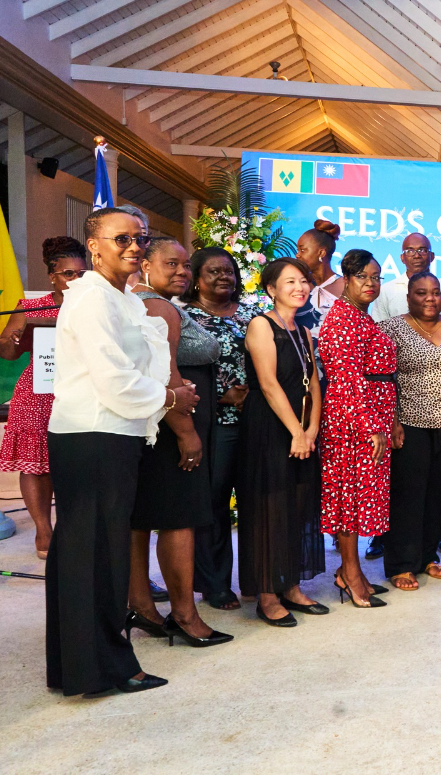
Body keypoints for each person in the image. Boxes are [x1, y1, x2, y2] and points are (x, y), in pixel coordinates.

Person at [46, 207, 198, 696]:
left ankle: (80, 667)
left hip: (112, 434)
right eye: (122, 239)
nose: (134, 246)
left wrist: (168, 392)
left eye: (140, 238)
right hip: (93, 435)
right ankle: (101, 669)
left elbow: (141, 365)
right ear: (94, 246)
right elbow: (113, 379)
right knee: (95, 558)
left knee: (92, 555)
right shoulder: (92, 298)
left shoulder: (123, 298)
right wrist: (171, 398)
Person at [127, 238, 232, 647]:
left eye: (186, 265)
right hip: (173, 428)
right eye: (172, 264)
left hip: (153, 424)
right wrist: (187, 433)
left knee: (141, 519)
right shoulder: (159, 307)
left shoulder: (140, 301)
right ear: (146, 265)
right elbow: (166, 375)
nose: (183, 272)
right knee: (179, 520)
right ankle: (185, 615)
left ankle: (142, 607)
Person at [237, 257, 327, 626]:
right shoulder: (261, 324)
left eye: (303, 281)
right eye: (290, 282)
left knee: (297, 505)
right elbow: (269, 384)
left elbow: (315, 383)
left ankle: (290, 585)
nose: (299, 288)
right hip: (270, 428)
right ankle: (267, 594)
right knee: (269, 507)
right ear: (271, 289)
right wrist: (296, 432)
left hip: (301, 430)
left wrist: (312, 429)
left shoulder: (303, 330)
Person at [0, 235, 86, 560]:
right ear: (52, 276)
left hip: (84, 391)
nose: (75, 279)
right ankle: (44, 531)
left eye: (82, 273)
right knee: (36, 464)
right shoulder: (32, 307)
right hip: (39, 392)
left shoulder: (96, 305)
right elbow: (5, 351)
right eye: (68, 273)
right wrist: (13, 338)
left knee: (80, 461)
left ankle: (75, 529)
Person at [182, 247, 261, 611]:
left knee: (257, 502)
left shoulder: (252, 314)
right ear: (197, 280)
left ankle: (259, 579)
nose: (223, 277)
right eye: (213, 272)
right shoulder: (185, 318)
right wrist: (221, 396)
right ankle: (214, 584)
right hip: (213, 424)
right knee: (213, 505)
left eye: (228, 271)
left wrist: (254, 396)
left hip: (257, 421)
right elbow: (176, 372)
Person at [318, 250, 397, 608]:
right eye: (362, 276)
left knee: (361, 496)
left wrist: (387, 421)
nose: (370, 283)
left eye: (376, 277)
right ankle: (349, 573)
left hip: (370, 415)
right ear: (347, 279)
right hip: (352, 421)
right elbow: (346, 380)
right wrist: (370, 426)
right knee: (348, 497)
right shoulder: (342, 318)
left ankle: (352, 571)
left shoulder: (361, 316)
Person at [377, 271, 441, 591]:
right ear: (408, 297)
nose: (430, 298)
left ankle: (427, 557)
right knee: (407, 495)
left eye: (435, 292)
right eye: (421, 292)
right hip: (409, 424)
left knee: (436, 493)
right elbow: (382, 379)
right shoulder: (391, 329)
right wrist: (391, 420)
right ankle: (401, 564)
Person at [371, 232, 441, 321]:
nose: (417, 256)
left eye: (422, 250)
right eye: (410, 251)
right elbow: (378, 327)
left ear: (432, 256)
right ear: (402, 258)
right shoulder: (385, 291)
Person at [293, 219, 344, 338]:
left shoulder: (346, 287)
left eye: (302, 250)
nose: (297, 255)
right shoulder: (296, 286)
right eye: (298, 250)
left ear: (321, 253)